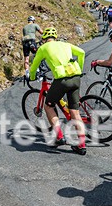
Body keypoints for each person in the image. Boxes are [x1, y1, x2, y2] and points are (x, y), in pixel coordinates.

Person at [28, 27, 87, 155]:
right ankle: (81, 145)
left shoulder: (43, 48)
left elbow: (35, 64)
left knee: (48, 106)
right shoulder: (65, 44)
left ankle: (59, 137)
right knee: (75, 112)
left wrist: (32, 76)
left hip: (62, 80)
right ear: (55, 37)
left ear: (44, 39)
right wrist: (80, 69)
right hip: (76, 78)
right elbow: (81, 52)